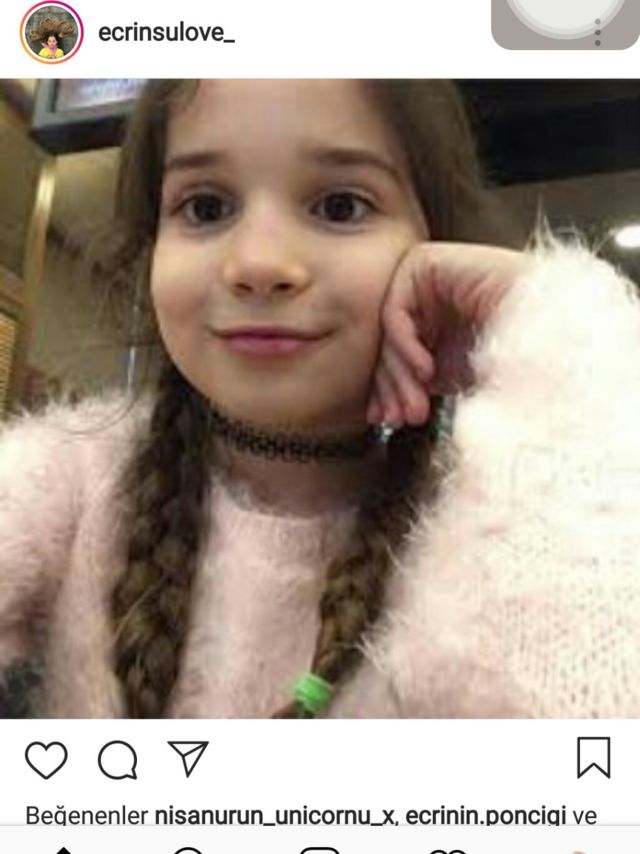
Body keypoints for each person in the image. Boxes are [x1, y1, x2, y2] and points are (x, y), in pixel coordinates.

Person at [2, 79, 640, 719]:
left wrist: (566, 339)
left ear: (437, 242)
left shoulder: (497, 505)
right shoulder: (69, 476)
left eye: (340, 206)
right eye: (205, 207)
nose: (258, 263)